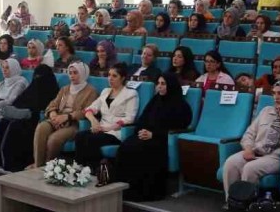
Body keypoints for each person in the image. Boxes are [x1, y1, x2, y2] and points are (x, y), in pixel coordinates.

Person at [221, 78, 280, 195]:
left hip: (275, 157)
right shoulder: (266, 111)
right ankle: (232, 203)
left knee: (249, 169)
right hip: (255, 150)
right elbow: (249, 133)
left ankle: (247, 205)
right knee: (231, 163)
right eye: (274, 93)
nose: (276, 97)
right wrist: (248, 148)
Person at [117, 72, 193, 201]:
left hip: (162, 140)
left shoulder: (181, 106)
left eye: (163, 84)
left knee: (141, 150)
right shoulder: (155, 100)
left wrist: (153, 134)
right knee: (126, 146)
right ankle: (124, 188)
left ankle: (144, 192)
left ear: (171, 85)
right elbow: (143, 118)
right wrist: (141, 131)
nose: (159, 87)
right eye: (158, 84)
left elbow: (178, 129)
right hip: (145, 135)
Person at [27, 61, 98, 169]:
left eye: (75, 73)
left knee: (54, 139)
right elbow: (53, 104)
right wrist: (53, 114)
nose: (72, 76)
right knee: (41, 128)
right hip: (57, 118)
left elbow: (86, 111)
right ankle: (38, 164)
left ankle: (48, 167)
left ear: (83, 74)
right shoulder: (65, 89)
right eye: (70, 73)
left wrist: (67, 117)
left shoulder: (91, 91)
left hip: (74, 123)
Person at [0, 64, 61, 171]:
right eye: (36, 76)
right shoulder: (32, 88)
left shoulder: (52, 90)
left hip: (36, 119)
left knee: (16, 127)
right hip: (22, 115)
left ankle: (15, 163)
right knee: (4, 122)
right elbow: (18, 102)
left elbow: (47, 107)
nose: (37, 79)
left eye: (40, 77)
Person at [73, 64, 138, 167]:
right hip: (100, 128)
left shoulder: (131, 94)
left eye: (114, 76)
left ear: (123, 78)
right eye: (109, 75)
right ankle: (78, 167)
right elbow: (89, 109)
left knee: (92, 139)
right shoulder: (105, 91)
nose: (110, 78)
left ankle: (92, 169)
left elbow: (129, 118)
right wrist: (94, 121)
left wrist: (107, 128)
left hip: (115, 132)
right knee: (80, 136)